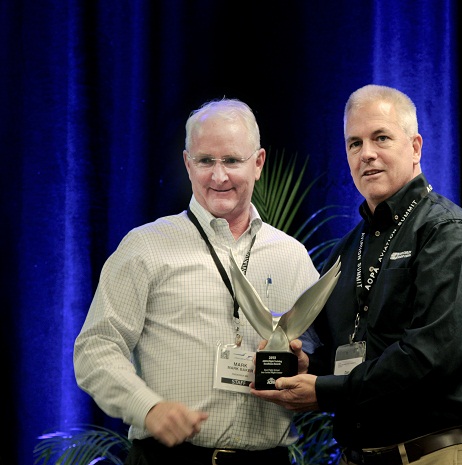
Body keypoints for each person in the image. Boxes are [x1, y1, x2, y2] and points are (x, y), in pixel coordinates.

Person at [251, 84, 462, 465]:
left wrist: (325, 391)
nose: (366, 154)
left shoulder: (449, 233)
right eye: (354, 143)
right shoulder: (347, 249)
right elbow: (344, 354)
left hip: (434, 453)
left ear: (416, 147)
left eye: (380, 137)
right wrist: (308, 368)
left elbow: (429, 358)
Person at [73, 98, 320, 465]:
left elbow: (316, 356)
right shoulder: (145, 246)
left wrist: (304, 367)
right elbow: (95, 348)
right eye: (206, 161)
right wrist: (149, 408)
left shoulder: (293, 255)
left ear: (258, 163)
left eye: (232, 161)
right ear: (188, 164)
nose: (218, 176)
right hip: (169, 458)